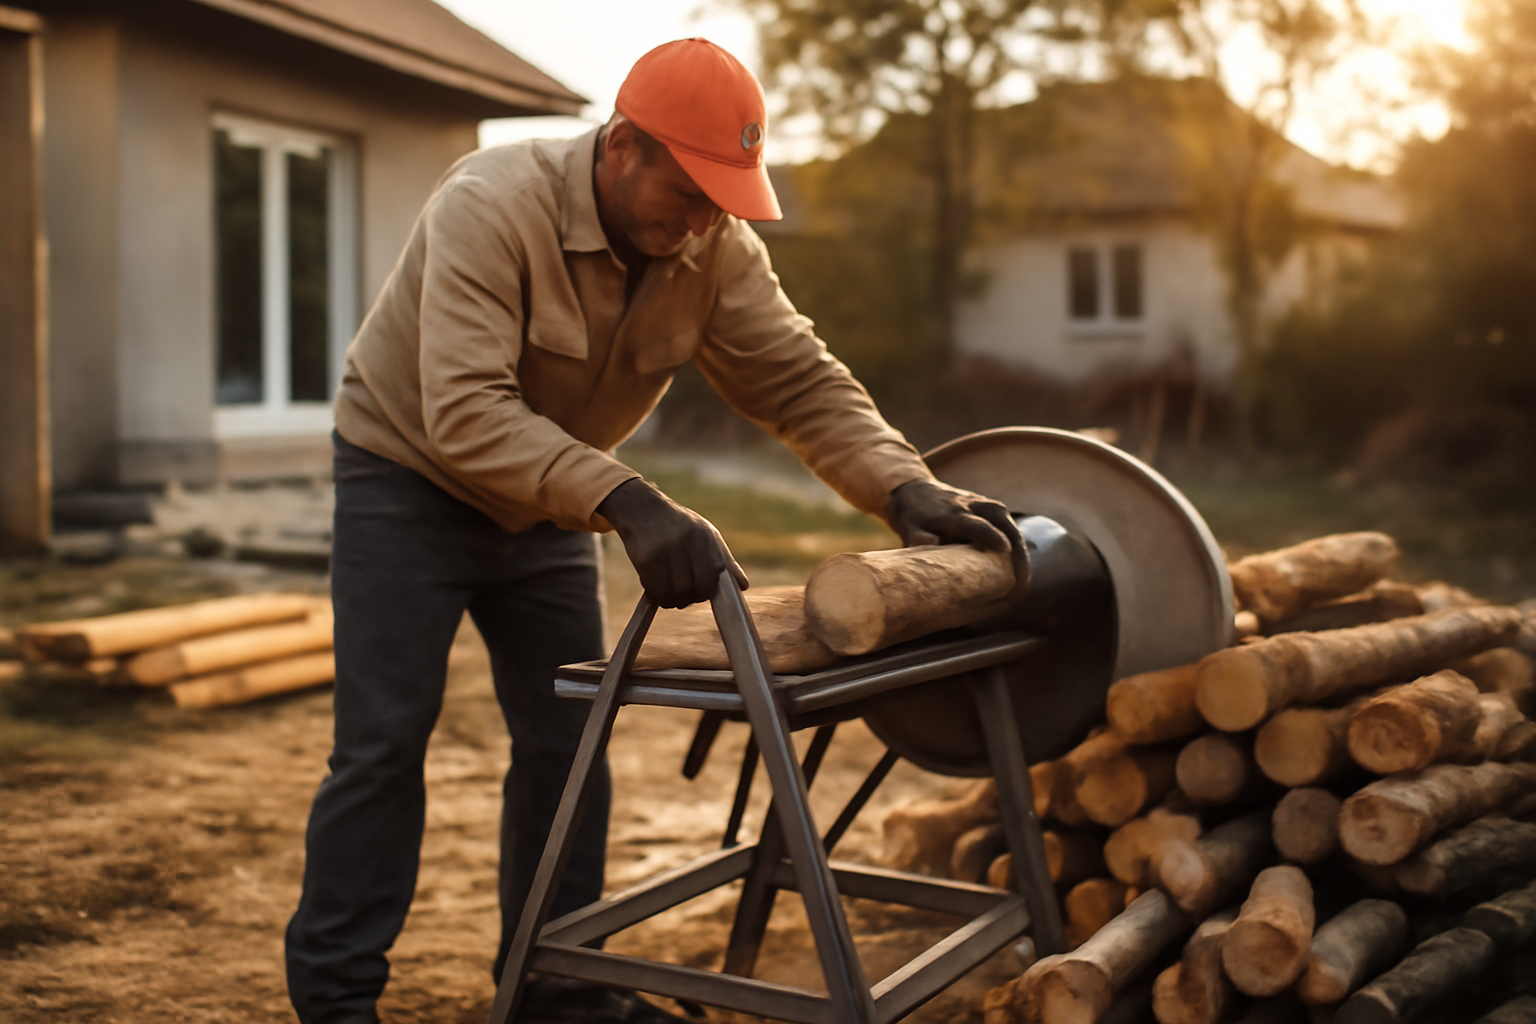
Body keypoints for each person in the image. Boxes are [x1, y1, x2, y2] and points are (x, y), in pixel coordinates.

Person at [284, 37, 1019, 1024]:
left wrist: (903, 487)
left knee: (569, 741)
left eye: (723, 200)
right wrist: (630, 501)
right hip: (408, 478)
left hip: (554, 499)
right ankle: (336, 998)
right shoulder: (491, 205)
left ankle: (557, 988)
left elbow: (799, 381)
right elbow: (464, 410)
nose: (703, 219)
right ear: (623, 145)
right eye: (688, 192)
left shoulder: (713, 245)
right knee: (383, 740)